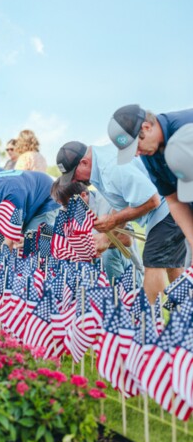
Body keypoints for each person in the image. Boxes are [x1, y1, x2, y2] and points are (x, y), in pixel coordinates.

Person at [55, 140, 186, 303]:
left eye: (74, 176)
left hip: (168, 202)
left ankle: (148, 321)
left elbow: (152, 201)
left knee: (153, 262)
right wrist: (107, 237)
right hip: (167, 201)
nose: (75, 182)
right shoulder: (99, 167)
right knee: (172, 264)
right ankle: (186, 310)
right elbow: (122, 205)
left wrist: (112, 221)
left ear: (84, 162)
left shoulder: (111, 169)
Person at [108, 104, 193, 264]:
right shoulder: (149, 153)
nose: (136, 154)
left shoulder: (186, 126)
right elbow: (173, 200)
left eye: (136, 146)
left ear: (146, 127)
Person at [51, 179, 144, 285]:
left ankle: (119, 297)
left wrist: (90, 242)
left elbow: (127, 239)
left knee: (108, 253)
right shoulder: (66, 213)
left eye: (68, 205)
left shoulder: (108, 202)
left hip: (128, 271)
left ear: (83, 195)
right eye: (63, 206)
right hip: (94, 272)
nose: (66, 210)